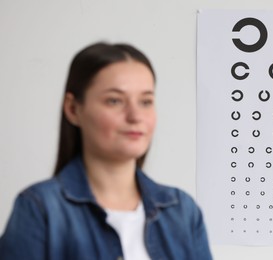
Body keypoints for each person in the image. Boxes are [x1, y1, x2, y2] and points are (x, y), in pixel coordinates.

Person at [0, 42, 212, 260]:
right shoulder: (41, 208)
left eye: (146, 101)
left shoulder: (182, 211)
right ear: (73, 109)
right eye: (114, 101)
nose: (135, 116)